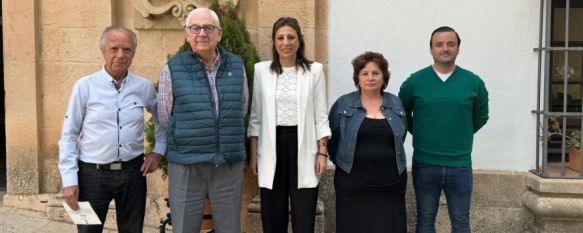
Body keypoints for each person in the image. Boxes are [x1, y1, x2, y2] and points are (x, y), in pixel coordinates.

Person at [58, 26, 165, 233]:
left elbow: (163, 119)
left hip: (133, 174)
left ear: (133, 53)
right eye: (114, 48)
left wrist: (159, 150)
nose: (120, 55)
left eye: (127, 49)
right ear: (103, 51)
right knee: (88, 231)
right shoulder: (85, 86)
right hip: (91, 176)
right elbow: (69, 135)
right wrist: (69, 180)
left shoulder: (143, 87)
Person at [156, 8, 248, 233]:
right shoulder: (173, 68)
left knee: (229, 228)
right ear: (187, 34)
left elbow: (242, 107)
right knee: (184, 227)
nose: (202, 33)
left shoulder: (236, 65)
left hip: (227, 162)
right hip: (187, 163)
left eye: (208, 28)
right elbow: (164, 116)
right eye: (195, 28)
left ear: (219, 34)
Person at [398, 26, 489, 233]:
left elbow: (481, 116)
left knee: (461, 221)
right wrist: (422, 131)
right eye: (439, 44)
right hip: (425, 163)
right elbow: (402, 114)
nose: (445, 48)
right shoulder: (415, 81)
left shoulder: (473, 83)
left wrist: (460, 131)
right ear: (431, 49)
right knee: (425, 219)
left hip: (460, 164)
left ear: (458, 48)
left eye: (450, 44)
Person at [248, 16, 331, 233]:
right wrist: (254, 154)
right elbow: (255, 116)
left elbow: (321, 115)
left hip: (303, 146)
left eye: (291, 37)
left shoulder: (314, 71)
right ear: (274, 42)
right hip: (271, 147)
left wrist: (322, 152)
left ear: (299, 41)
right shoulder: (261, 71)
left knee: (304, 212)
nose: (286, 42)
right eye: (281, 37)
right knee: (273, 213)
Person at [328, 51, 408, 233]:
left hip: (391, 185)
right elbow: (333, 138)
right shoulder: (344, 104)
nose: (370, 78)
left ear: (384, 77)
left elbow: (400, 135)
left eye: (375, 73)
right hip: (353, 184)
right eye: (365, 73)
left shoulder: (395, 103)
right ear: (357, 77)